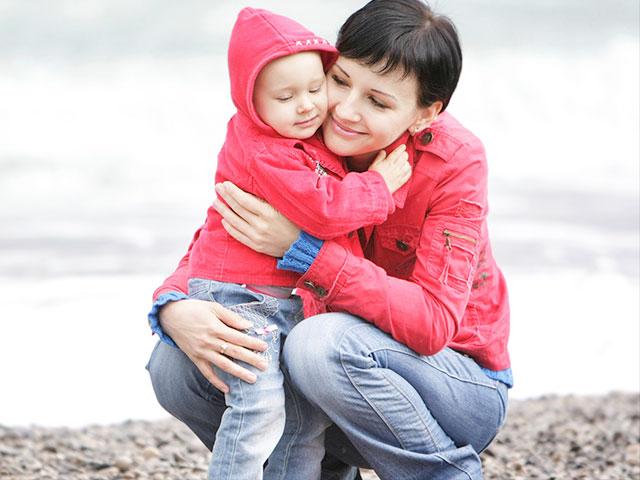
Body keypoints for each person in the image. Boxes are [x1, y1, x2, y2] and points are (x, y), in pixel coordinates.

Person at [147, 1, 512, 479]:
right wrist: (173, 306)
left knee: (316, 344)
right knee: (178, 364)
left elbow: (432, 323)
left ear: (426, 115)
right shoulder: (297, 121)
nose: (343, 110)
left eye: (378, 103)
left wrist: (303, 250)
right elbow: (223, 230)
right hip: (332, 379)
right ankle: (322, 470)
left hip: (452, 384)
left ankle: (444, 473)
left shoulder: (454, 163)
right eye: (339, 80)